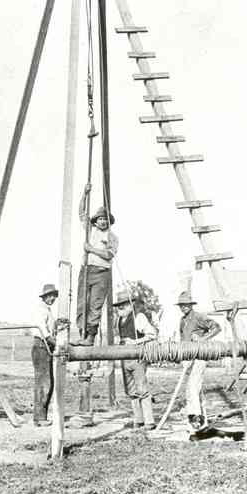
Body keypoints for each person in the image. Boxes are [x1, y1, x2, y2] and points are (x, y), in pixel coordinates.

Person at [76, 183, 119, 345]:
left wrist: (91, 249)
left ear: (109, 222)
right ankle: (81, 334)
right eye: (100, 219)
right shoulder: (90, 230)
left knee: (95, 304)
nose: (102, 222)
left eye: (105, 219)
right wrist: (84, 194)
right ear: (96, 220)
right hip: (86, 270)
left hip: (102, 273)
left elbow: (108, 255)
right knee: (82, 303)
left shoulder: (112, 237)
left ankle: (90, 338)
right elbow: (81, 212)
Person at [176, 290, 221, 433]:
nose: (183, 307)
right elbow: (182, 339)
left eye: (186, 304)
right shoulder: (182, 320)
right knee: (196, 390)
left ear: (191, 304)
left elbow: (216, 327)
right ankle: (203, 422)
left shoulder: (198, 317)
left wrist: (203, 339)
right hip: (188, 358)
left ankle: (196, 424)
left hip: (200, 357)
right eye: (181, 305)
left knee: (192, 389)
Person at [114, 289, 157, 429]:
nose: (121, 307)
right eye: (119, 305)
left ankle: (149, 421)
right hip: (125, 359)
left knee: (142, 389)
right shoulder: (119, 320)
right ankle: (138, 420)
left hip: (138, 358)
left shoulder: (139, 317)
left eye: (124, 304)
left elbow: (152, 334)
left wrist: (134, 342)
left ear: (131, 304)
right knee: (131, 391)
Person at [32, 283, 60, 426]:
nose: (52, 298)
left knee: (48, 382)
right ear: (44, 297)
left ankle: (42, 415)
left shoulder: (48, 310)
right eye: (49, 296)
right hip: (41, 346)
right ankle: (39, 417)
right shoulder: (40, 310)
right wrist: (55, 342)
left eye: (53, 296)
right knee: (43, 382)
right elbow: (43, 329)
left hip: (46, 346)